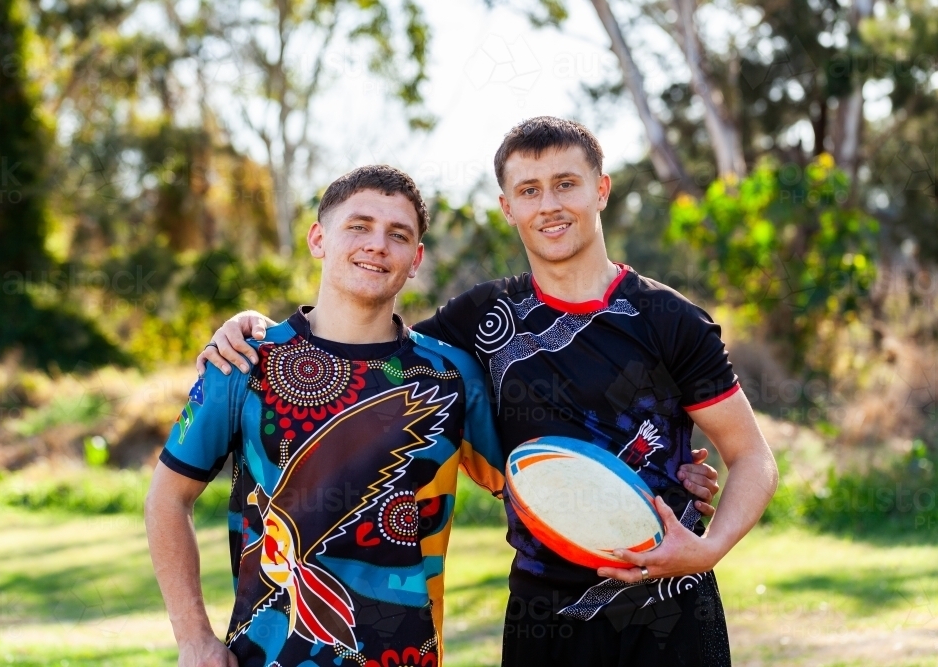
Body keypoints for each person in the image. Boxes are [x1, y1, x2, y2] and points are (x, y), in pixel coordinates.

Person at [200, 117, 774, 666]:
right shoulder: (482, 316)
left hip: (670, 605)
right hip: (541, 609)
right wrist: (258, 327)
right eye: (529, 190)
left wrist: (708, 547)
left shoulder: (669, 319)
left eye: (566, 184)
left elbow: (751, 457)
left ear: (600, 190)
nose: (548, 205)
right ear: (507, 208)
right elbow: (366, 352)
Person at [146, 165, 507, 667]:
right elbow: (167, 497)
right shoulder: (244, 362)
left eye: (397, 234)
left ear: (416, 259)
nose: (377, 244)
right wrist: (193, 638)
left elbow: (528, 491)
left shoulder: (451, 376)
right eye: (358, 226)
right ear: (319, 238)